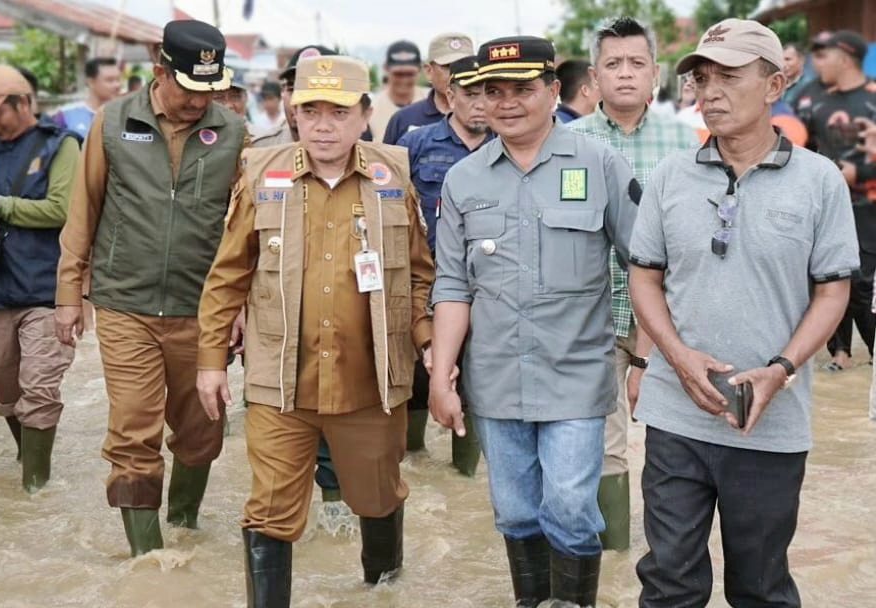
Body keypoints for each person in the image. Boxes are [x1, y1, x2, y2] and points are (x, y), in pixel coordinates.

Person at [628, 19, 858, 607]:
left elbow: (832, 292)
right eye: (702, 78)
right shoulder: (669, 179)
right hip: (675, 414)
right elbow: (644, 278)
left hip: (769, 422)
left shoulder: (820, 181)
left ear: (775, 84)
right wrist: (675, 359)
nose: (710, 92)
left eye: (729, 76)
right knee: (668, 581)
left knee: (760, 586)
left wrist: (780, 369)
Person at [196, 54, 434, 608]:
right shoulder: (262, 172)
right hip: (281, 382)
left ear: (364, 115)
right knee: (271, 510)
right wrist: (210, 362)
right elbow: (227, 274)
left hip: (369, 380)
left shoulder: (392, 175)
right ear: (291, 111)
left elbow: (422, 273)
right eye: (310, 109)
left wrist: (426, 343)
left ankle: (383, 589)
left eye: (338, 111)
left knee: (376, 496)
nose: (323, 124)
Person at [429, 36, 639, 607]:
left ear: (553, 90)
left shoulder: (600, 164)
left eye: (523, 88)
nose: (506, 102)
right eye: (493, 91)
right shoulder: (464, 179)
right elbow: (451, 285)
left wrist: (644, 356)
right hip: (496, 377)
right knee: (516, 510)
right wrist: (441, 377)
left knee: (571, 506)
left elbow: (642, 265)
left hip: (577, 374)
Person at [55, 20, 248, 557]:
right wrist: (69, 292)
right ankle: (151, 563)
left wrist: (244, 306)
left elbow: (245, 229)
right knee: (133, 431)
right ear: (160, 72)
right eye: (189, 87)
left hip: (202, 307)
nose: (200, 100)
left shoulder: (233, 132)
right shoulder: (113, 122)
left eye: (211, 89)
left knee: (202, 431)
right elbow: (84, 208)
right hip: (125, 304)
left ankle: (184, 522)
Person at [567, 16, 698, 553]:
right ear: (594, 77)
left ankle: (670, 554)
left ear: (656, 74)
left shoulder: (684, 141)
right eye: (613, 64)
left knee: (677, 442)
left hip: (671, 320)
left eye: (637, 64)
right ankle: (615, 560)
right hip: (591, 317)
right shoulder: (567, 142)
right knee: (601, 444)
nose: (626, 74)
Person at [0, 64, 80, 493]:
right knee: (4, 388)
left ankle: (35, 489)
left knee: (39, 388)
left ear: (23, 103)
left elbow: (63, 209)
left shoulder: (60, 146)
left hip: (47, 289)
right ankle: (28, 457)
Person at [396, 55, 491, 475]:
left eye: (487, 93)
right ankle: (414, 459)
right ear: (450, 95)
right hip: (426, 281)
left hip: (488, 287)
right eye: (470, 93)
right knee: (417, 380)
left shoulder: (506, 146)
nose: (480, 104)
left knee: (476, 383)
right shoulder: (417, 145)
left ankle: (463, 476)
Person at [797, 29, 876, 371]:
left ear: (845, 59)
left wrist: (857, 174)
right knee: (827, 276)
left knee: (862, 284)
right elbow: (799, 144)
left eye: (823, 55)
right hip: (826, 204)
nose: (817, 62)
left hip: (868, 207)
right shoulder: (812, 98)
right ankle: (839, 354)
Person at [383, 32, 474, 144]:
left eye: (464, 66)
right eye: (448, 67)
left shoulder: (486, 119)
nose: (456, 74)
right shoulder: (404, 119)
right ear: (428, 71)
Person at [252, 45, 337, 148]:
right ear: (283, 93)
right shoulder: (261, 150)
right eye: (293, 89)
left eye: (315, 90)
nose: (301, 100)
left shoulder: (357, 154)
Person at [368, 40, 428, 140]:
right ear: (386, 69)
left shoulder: (433, 101)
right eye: (398, 74)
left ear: (420, 70)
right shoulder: (372, 107)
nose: (404, 80)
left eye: (409, 74)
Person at [52, 56, 121, 139]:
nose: (117, 85)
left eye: (118, 79)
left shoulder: (126, 116)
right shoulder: (66, 115)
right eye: (110, 80)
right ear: (90, 82)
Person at [782, 41, 812, 109]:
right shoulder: (778, 82)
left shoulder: (809, 85)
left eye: (788, 59)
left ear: (802, 60)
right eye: (781, 60)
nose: (783, 65)